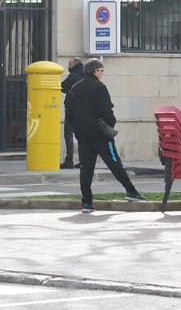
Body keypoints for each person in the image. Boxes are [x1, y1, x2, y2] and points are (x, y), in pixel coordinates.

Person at [69, 58, 145, 212]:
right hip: (100, 134)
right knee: (114, 163)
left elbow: (69, 112)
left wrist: (77, 130)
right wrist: (110, 124)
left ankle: (87, 202)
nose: (102, 74)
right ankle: (131, 190)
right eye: (101, 71)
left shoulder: (75, 88)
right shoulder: (99, 87)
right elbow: (107, 111)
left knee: (86, 168)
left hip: (83, 135)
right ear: (95, 71)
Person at [60, 57, 85, 169]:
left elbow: (62, 87)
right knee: (81, 135)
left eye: (69, 64)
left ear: (74, 65)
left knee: (68, 133)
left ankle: (69, 160)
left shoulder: (73, 76)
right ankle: (83, 160)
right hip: (84, 110)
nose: (68, 66)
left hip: (72, 109)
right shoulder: (86, 76)